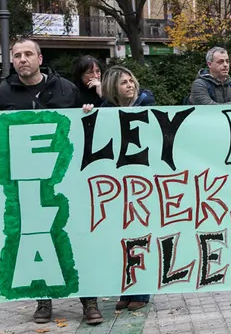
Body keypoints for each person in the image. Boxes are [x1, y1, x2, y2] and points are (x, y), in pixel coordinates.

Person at [0, 39, 103, 325]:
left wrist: (92, 109)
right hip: (28, 182)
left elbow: (90, 128)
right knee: (37, 236)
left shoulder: (66, 89)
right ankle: (43, 300)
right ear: (12, 61)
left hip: (67, 179)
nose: (22, 59)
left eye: (28, 54)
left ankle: (89, 300)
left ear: (40, 58)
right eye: (17, 55)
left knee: (77, 236)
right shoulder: (2, 94)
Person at [83, 65, 153, 311]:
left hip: (143, 181)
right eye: (124, 82)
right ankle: (125, 290)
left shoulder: (147, 105)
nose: (130, 85)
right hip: (118, 183)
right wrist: (88, 114)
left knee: (139, 236)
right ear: (114, 87)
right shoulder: (106, 111)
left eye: (131, 80)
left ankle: (142, 294)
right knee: (119, 238)